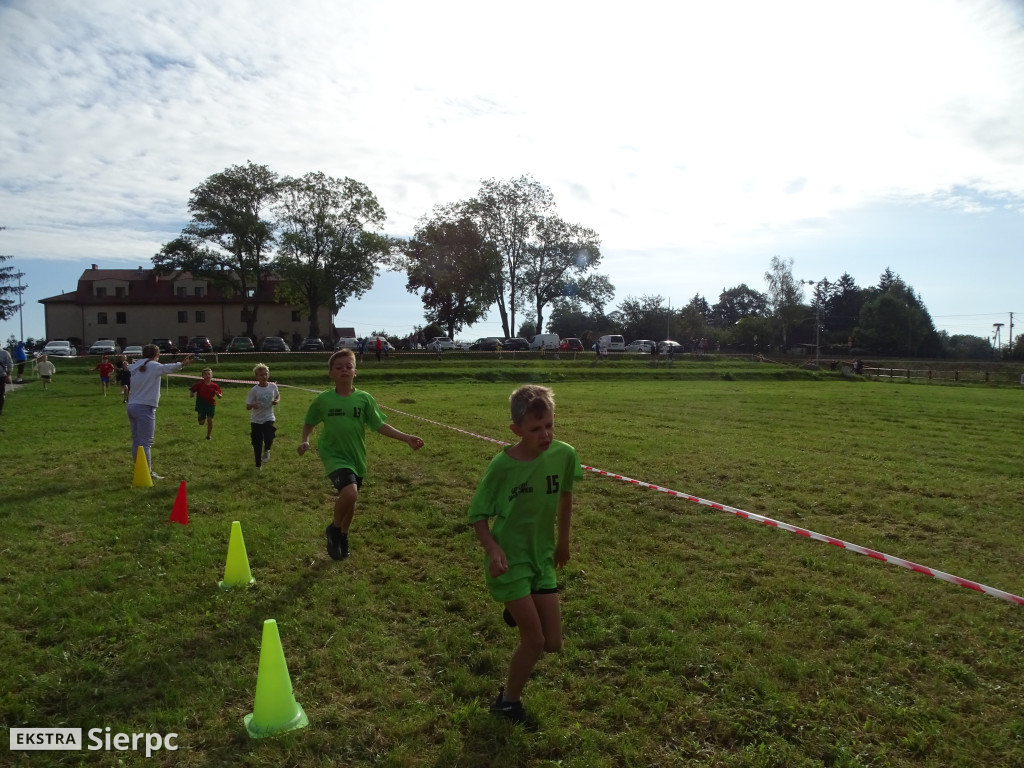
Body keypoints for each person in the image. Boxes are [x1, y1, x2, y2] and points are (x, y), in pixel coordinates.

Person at [468, 384, 582, 730]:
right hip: (509, 562)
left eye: (549, 426)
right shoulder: (502, 466)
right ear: (516, 430)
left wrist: (563, 542)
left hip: (542, 558)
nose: (545, 435)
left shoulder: (565, 455)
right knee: (532, 641)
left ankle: (516, 610)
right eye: (535, 429)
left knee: (553, 644)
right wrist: (493, 549)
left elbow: (565, 498)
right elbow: (477, 515)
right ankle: (507, 702)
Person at [297, 349, 424, 560]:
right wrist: (305, 440)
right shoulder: (323, 400)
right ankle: (334, 529)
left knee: (351, 501)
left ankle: (343, 536)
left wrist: (406, 437)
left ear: (355, 371)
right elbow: (310, 422)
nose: (344, 370)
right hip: (333, 455)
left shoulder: (364, 399)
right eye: (339, 367)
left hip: (357, 457)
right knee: (350, 493)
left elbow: (379, 425)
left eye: (349, 366)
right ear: (331, 373)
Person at [127, 344, 194, 480]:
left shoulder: (135, 366)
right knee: (145, 443)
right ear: (156, 355)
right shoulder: (153, 366)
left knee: (136, 440)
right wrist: (183, 363)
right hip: (145, 407)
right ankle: (147, 472)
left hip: (132, 406)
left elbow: (127, 366)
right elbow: (168, 368)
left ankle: (139, 468)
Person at [246, 363, 279, 471]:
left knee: (269, 436)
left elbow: (277, 395)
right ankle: (258, 465)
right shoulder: (254, 390)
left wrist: (276, 401)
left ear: (268, 375)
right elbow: (247, 406)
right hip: (256, 420)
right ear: (256, 377)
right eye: (261, 375)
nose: (264, 376)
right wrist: (253, 405)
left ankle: (267, 449)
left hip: (269, 417)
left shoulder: (273, 386)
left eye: (266, 374)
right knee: (257, 443)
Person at [189, 367, 223, 440]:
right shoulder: (199, 384)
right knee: (201, 422)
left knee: (210, 420)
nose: (207, 375)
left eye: (209, 374)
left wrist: (218, 394)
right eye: (205, 374)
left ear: (212, 375)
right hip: (201, 404)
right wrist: (191, 394)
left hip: (211, 404)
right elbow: (192, 390)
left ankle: (208, 436)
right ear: (202, 376)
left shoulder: (215, 386)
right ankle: (201, 417)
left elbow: (220, 396)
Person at [0, 345, 13, 414]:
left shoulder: (4, 353)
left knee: (1, 393)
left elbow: (10, 364)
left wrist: (9, 375)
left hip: (1, 376)